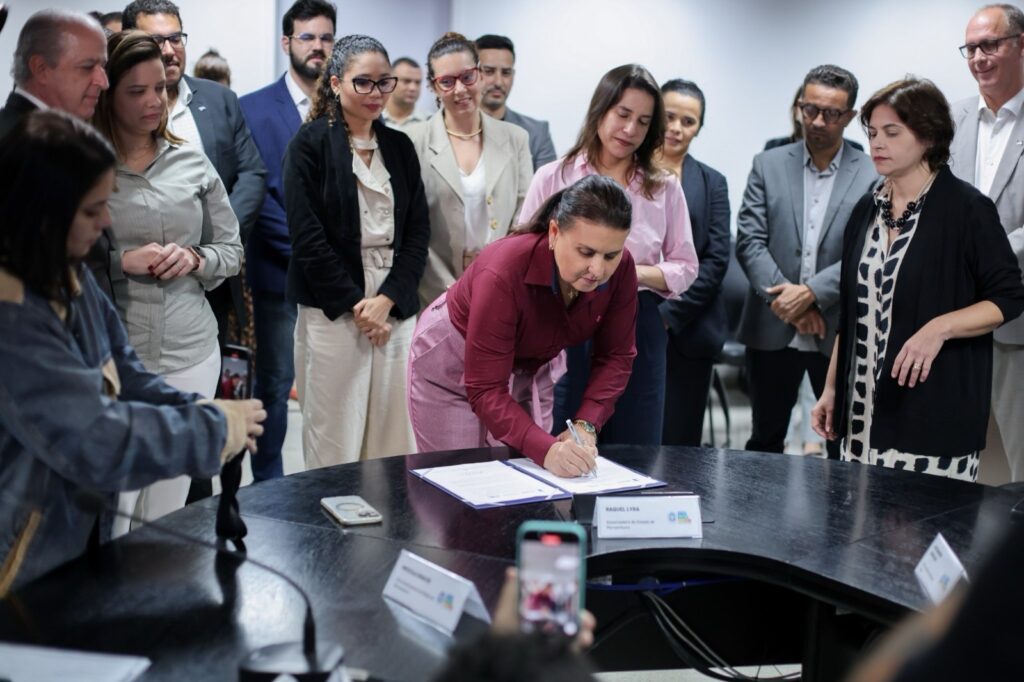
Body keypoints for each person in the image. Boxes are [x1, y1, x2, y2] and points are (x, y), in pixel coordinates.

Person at [0, 110, 264, 594]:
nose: (105, 223)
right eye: (91, 210)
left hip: (68, 539)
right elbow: (94, 437)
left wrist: (203, 410)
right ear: (42, 212)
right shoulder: (11, 314)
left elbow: (129, 375)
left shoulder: (70, 276)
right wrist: (212, 429)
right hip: (19, 562)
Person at [810, 78, 1024, 480]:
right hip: (860, 415)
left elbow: (1008, 297)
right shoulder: (866, 209)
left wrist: (939, 328)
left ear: (928, 136)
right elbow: (851, 314)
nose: (877, 143)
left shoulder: (967, 209)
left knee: (925, 520)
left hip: (934, 412)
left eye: (892, 132)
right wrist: (832, 389)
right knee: (858, 519)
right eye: (873, 132)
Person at [92, 31, 243, 529]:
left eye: (160, 88)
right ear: (109, 92)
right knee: (112, 513)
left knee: (167, 513)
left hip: (190, 351)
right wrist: (122, 262)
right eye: (137, 91)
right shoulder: (86, 165)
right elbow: (60, 262)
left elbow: (232, 251)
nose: (154, 101)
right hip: (117, 355)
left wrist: (196, 258)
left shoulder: (192, 161)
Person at [408, 174, 638, 477]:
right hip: (453, 363)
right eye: (586, 252)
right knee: (463, 479)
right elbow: (486, 389)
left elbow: (616, 355)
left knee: (527, 480)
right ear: (554, 232)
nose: (597, 269)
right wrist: (548, 450)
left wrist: (586, 425)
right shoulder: (503, 270)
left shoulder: (622, 268)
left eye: (610, 255)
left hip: (527, 364)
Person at [522, 64, 698, 446]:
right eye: (622, 114)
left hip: (637, 322)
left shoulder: (664, 186)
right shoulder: (554, 176)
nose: (630, 130)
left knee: (637, 447)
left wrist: (630, 274)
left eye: (643, 122)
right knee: (560, 442)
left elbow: (686, 267)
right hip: (563, 317)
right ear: (600, 110)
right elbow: (526, 252)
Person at [284, 35, 430, 470]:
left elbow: (417, 232)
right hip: (334, 306)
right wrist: (358, 306)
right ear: (335, 83)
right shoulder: (309, 144)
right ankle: (330, 516)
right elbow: (307, 237)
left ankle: (387, 516)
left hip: (394, 304)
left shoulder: (399, 146)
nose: (376, 93)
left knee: (393, 436)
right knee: (335, 436)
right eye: (363, 82)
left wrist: (387, 300)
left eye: (384, 82)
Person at [736, 64, 876, 458]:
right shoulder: (768, 163)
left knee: (839, 442)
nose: (816, 121)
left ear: (849, 116)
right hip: (771, 325)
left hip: (836, 327)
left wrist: (812, 294)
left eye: (830, 113)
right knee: (764, 440)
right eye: (809, 109)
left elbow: (867, 249)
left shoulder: (871, 173)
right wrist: (790, 304)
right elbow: (749, 241)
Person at [123, 0, 266, 355]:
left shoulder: (220, 100)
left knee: (206, 371)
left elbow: (252, 173)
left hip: (208, 274)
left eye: (176, 38)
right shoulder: (111, 108)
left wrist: (213, 241)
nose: (169, 51)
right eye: (156, 41)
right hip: (132, 281)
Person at [238, 0, 335, 481]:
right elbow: (257, 196)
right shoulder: (252, 108)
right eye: (307, 37)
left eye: (326, 38)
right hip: (278, 275)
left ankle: (324, 480)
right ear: (286, 43)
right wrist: (313, 255)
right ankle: (269, 485)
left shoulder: (345, 107)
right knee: (275, 384)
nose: (318, 47)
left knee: (330, 387)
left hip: (337, 283)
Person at [949, 4, 1024, 482]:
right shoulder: (950, 119)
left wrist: (980, 259)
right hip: (957, 323)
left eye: (990, 45)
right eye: (971, 49)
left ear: (1021, 45)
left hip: (1019, 324)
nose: (978, 58)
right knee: (971, 475)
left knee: (1020, 470)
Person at [406, 32, 533, 310]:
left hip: (500, 285)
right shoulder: (413, 141)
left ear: (479, 74)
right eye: (447, 82)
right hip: (433, 293)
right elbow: (409, 227)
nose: (460, 90)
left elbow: (524, 217)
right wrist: (450, 288)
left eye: (467, 77)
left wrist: (493, 272)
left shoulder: (515, 138)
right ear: (433, 86)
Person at [0, 10, 118, 299]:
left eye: (103, 66)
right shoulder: (20, 145)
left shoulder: (63, 135)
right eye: (87, 67)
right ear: (41, 68)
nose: (103, 81)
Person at [654, 79, 731, 447]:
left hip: (688, 328)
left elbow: (716, 259)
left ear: (698, 128)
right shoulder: (625, 169)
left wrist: (669, 314)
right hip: (625, 319)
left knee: (679, 441)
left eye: (688, 121)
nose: (676, 128)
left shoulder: (713, 182)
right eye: (669, 117)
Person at [475, 34, 557, 171]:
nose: (498, 82)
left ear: (513, 75)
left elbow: (548, 184)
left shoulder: (537, 133)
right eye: (489, 72)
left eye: (506, 73)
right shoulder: (449, 129)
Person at [381, 56, 425, 130]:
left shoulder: (430, 121)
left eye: (417, 82)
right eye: (406, 81)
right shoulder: (372, 119)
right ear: (390, 82)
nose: (413, 88)